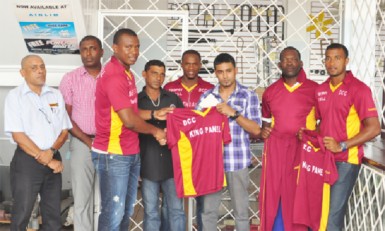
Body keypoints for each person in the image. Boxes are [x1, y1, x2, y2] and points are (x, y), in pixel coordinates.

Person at [91, 28, 167, 231]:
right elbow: (129, 121)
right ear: (115, 48)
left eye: (137, 46)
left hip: (129, 151)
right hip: (114, 154)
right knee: (113, 213)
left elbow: (131, 111)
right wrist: (156, 131)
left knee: (125, 211)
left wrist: (154, 114)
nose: (134, 51)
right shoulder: (114, 76)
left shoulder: (127, 73)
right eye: (128, 47)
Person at [314, 43, 380, 230]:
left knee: (333, 216)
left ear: (346, 61)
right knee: (322, 212)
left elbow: (374, 128)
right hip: (324, 159)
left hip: (346, 160)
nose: (331, 62)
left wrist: (342, 145)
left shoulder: (359, 89)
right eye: (328, 58)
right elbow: (322, 124)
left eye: (337, 58)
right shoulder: (321, 90)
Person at [4, 55, 72, 231]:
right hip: (27, 161)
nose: (40, 71)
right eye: (34, 68)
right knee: (22, 212)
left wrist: (51, 151)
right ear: (22, 72)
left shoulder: (55, 94)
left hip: (53, 156)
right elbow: (18, 135)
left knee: (52, 214)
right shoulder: (15, 96)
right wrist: (48, 159)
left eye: (42, 67)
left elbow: (64, 130)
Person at [198, 53, 261, 231]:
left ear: (236, 71)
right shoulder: (206, 98)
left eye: (228, 71)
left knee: (241, 212)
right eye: (220, 72)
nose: (225, 76)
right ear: (215, 74)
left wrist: (233, 113)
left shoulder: (248, 95)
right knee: (208, 212)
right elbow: (196, 128)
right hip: (212, 163)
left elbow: (256, 129)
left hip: (237, 161)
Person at [258, 47, 318, 231]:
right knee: (273, 193)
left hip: (303, 148)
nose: (289, 63)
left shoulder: (315, 89)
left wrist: (311, 136)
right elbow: (266, 123)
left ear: (301, 63)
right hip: (276, 148)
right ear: (279, 65)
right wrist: (264, 132)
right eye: (285, 60)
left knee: (300, 193)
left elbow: (324, 122)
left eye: (293, 59)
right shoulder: (271, 91)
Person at [163, 49, 213, 230]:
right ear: (181, 64)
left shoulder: (209, 89)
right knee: (172, 200)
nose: (191, 67)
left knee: (203, 199)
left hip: (202, 152)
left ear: (200, 65)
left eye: (194, 63)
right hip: (176, 151)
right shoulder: (169, 88)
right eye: (187, 63)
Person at [59, 35, 104, 231]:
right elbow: (65, 117)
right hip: (80, 142)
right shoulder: (70, 79)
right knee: (82, 198)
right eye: (84, 49)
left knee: (106, 197)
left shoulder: (112, 77)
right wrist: (87, 141)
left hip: (109, 143)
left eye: (92, 48)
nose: (88, 53)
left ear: (101, 51)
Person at [138, 60, 185, 231]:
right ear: (144, 74)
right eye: (154, 73)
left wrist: (170, 131)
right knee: (151, 212)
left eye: (162, 74)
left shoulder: (172, 98)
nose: (158, 78)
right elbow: (131, 123)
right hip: (147, 164)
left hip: (172, 164)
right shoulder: (137, 100)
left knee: (176, 210)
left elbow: (184, 125)